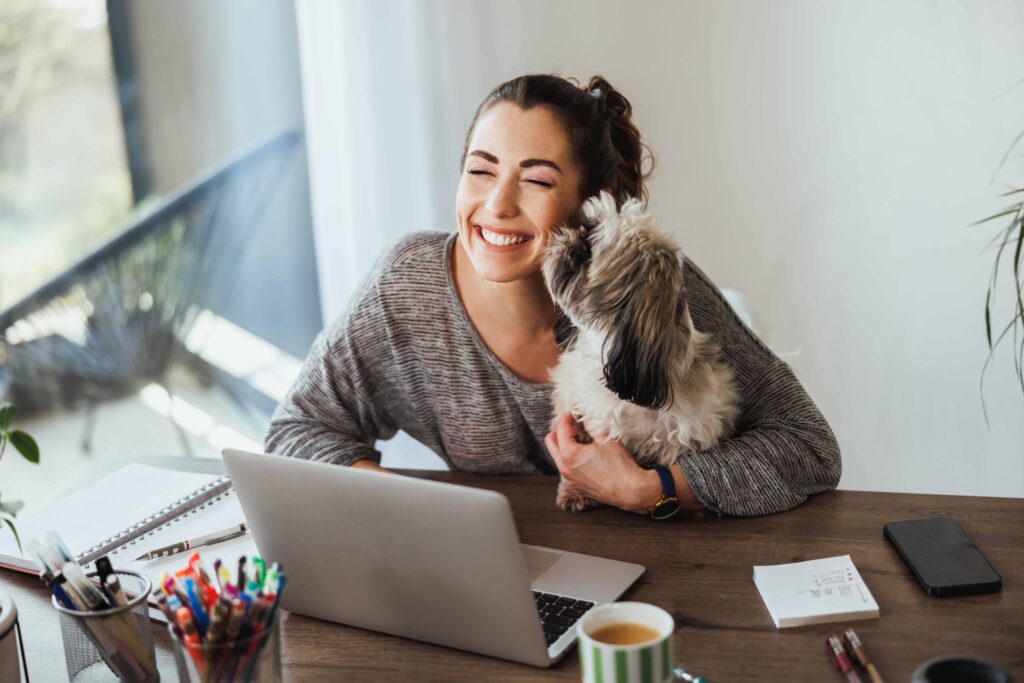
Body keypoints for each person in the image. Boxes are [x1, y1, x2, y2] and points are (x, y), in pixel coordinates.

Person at [264, 73, 841, 517]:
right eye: (480, 171)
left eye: (537, 180)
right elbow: (296, 432)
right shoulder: (406, 287)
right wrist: (421, 513)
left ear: (590, 203)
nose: (497, 205)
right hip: (493, 571)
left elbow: (809, 447)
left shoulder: (650, 292)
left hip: (663, 575)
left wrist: (651, 489)